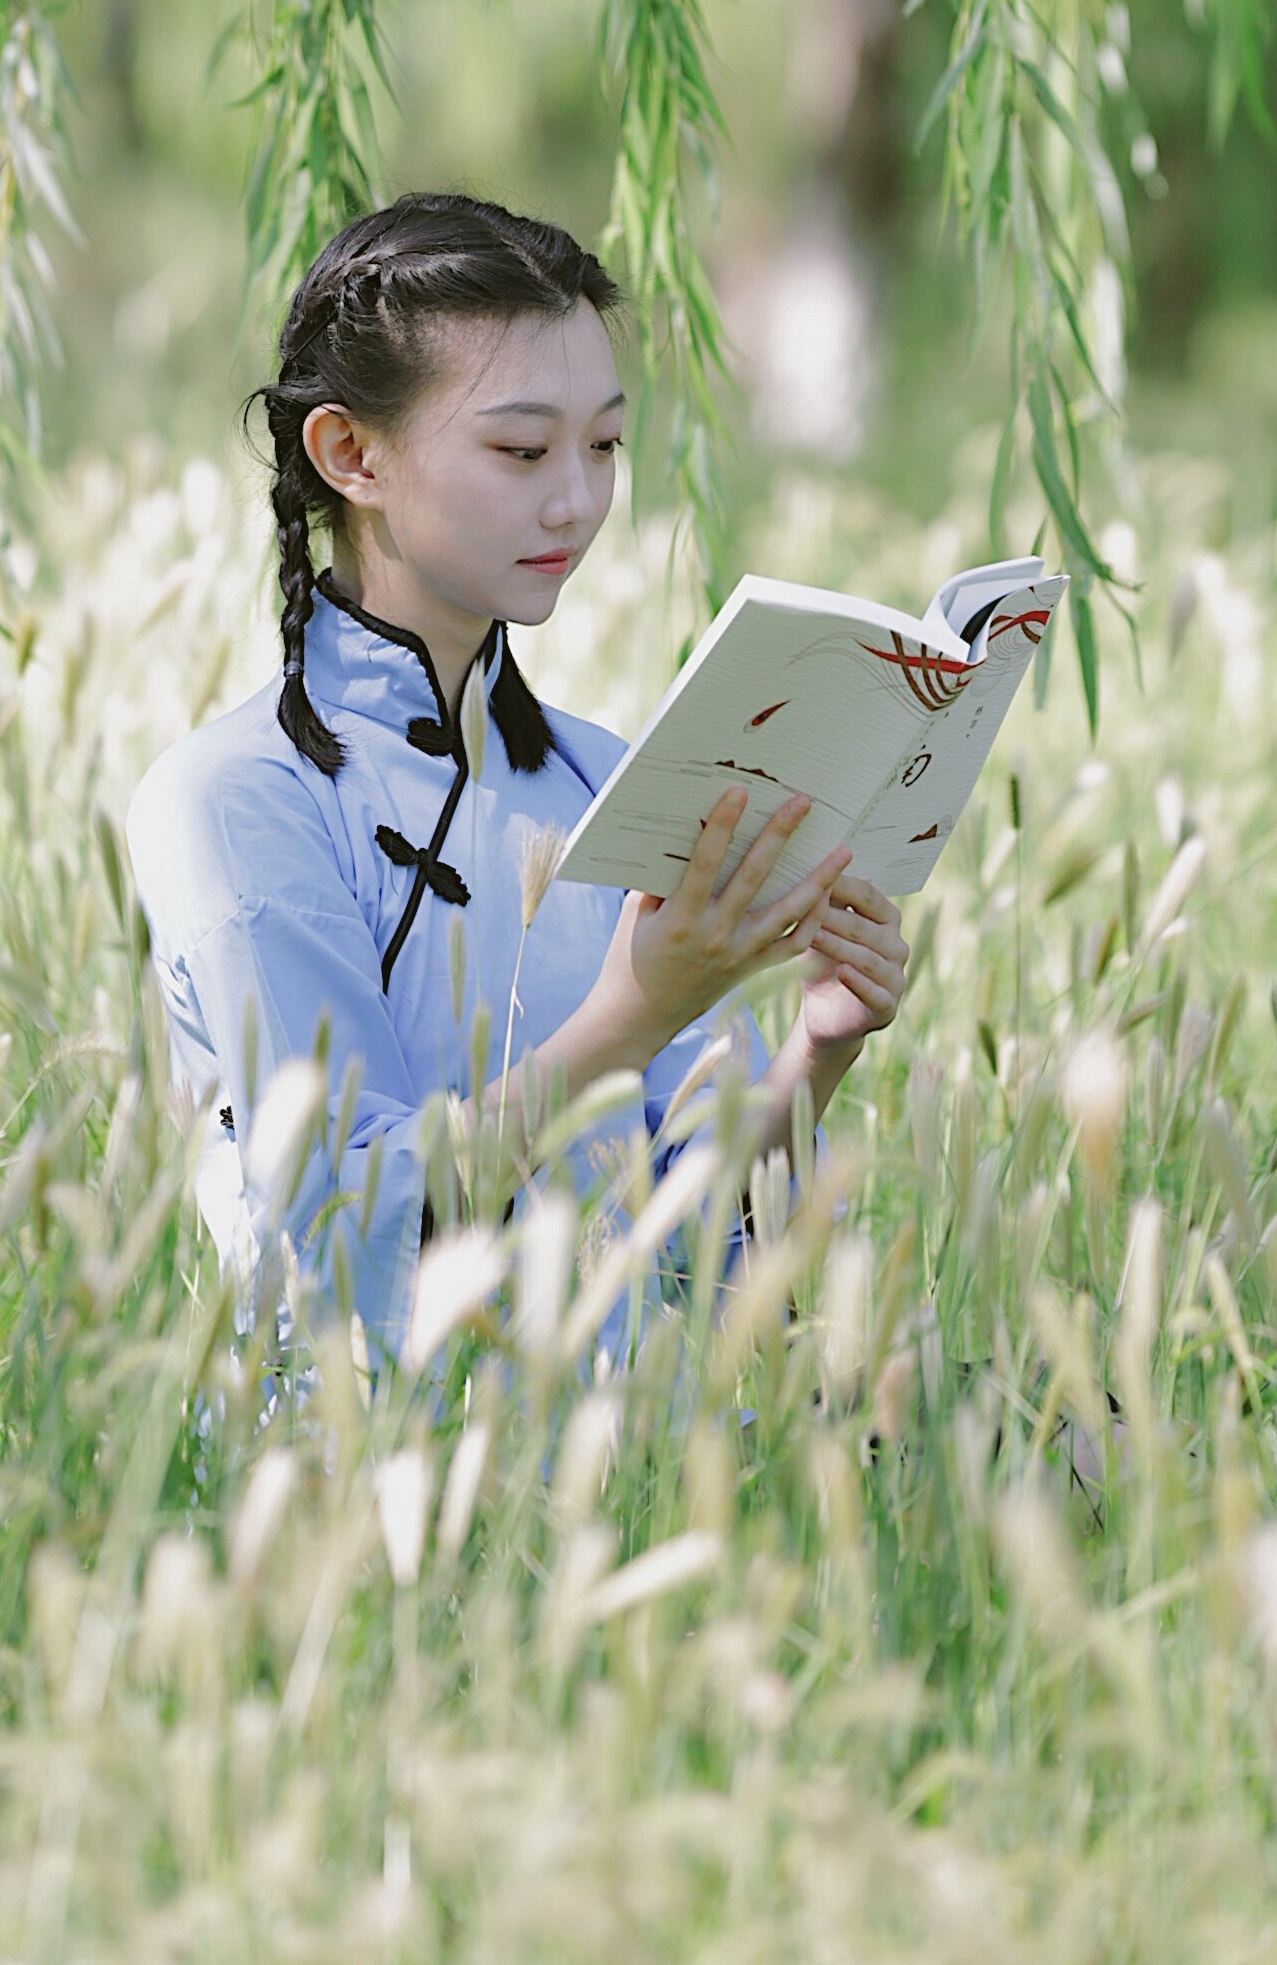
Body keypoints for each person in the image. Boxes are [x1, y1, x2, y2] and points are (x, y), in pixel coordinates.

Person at [126, 192, 910, 1362]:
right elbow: (341, 1236)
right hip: (371, 1488)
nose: (577, 501)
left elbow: (702, 1266)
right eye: (521, 449)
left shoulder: (618, 779)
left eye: (602, 446)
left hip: (640, 1467)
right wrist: (634, 1013)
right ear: (351, 454)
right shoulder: (235, 799)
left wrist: (820, 1050)